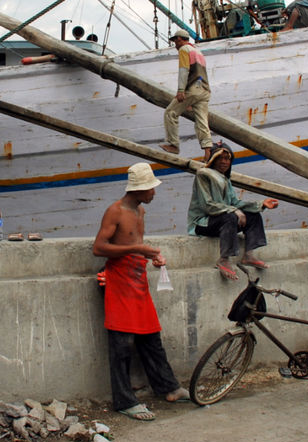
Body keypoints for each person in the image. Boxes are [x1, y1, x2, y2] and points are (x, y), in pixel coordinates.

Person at [92, 163, 190, 421]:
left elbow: (134, 244)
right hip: (118, 280)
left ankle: (168, 387)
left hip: (138, 277)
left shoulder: (140, 210)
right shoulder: (115, 211)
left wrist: (151, 256)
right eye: (151, 189)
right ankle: (124, 400)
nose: (154, 194)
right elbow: (99, 248)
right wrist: (138, 250)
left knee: (150, 337)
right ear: (139, 190)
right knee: (121, 344)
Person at [187, 141, 278, 280]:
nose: (224, 162)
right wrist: (234, 211)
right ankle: (224, 259)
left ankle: (248, 255)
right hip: (203, 223)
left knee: (253, 215)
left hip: (221, 220)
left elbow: (235, 202)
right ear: (213, 160)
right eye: (220, 158)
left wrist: (261, 204)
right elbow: (208, 205)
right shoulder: (203, 174)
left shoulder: (225, 179)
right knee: (230, 217)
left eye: (227, 159)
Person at [160, 29, 213, 161]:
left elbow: (184, 71)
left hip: (193, 89)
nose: (175, 45)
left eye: (175, 41)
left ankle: (173, 144)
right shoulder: (198, 51)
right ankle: (207, 153)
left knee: (170, 112)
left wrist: (181, 90)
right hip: (204, 91)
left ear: (179, 39)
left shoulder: (184, 50)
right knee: (202, 122)